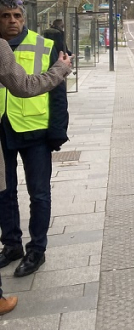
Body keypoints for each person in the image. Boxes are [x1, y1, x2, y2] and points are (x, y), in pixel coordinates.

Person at [0, 39, 71, 315]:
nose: (12, 21)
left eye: (17, 15)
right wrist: (61, 70)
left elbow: (52, 94)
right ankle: (12, 245)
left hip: (35, 131)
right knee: (5, 193)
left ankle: (36, 250)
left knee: (38, 193)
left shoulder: (43, 44)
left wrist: (56, 131)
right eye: (5, 16)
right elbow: (24, 85)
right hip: (3, 129)